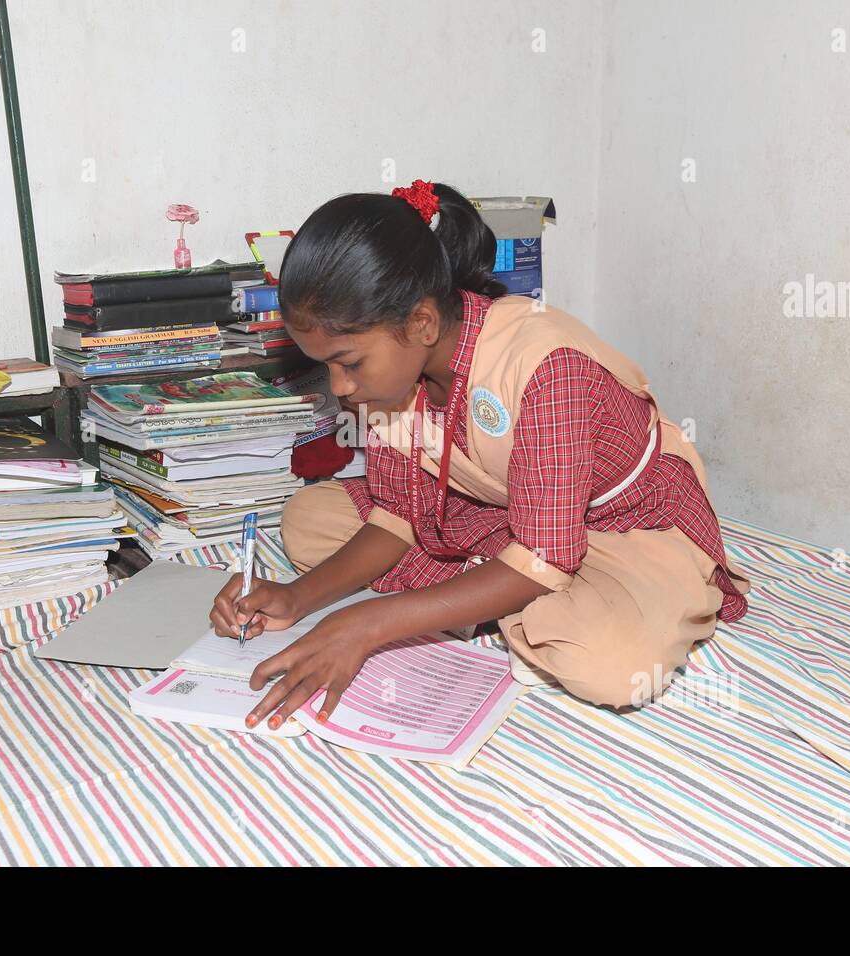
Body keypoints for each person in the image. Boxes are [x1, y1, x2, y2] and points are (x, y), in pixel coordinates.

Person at [208, 180, 751, 732]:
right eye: (327, 366)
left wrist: (367, 623)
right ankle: (489, 594)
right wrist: (295, 599)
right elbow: (396, 517)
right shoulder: (397, 372)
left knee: (612, 665)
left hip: (624, 523)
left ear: (420, 323)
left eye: (348, 362)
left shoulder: (544, 365)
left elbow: (545, 554)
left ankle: (493, 595)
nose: (341, 387)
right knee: (309, 518)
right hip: (498, 512)